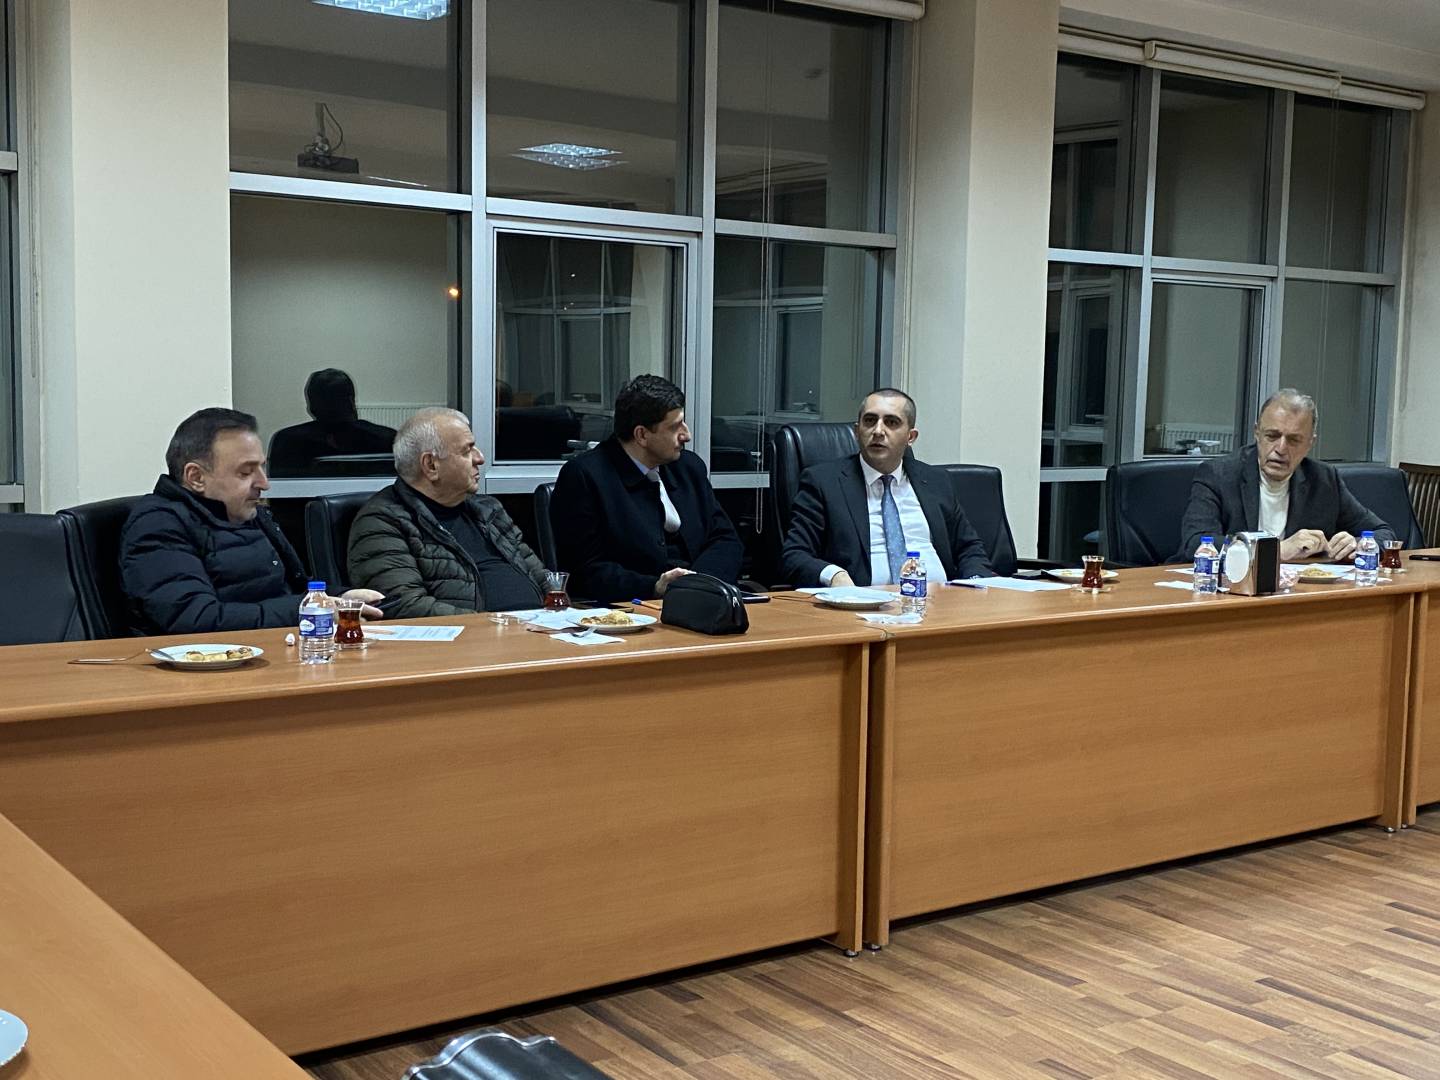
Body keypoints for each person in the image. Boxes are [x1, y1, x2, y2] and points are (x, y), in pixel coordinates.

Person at [120, 408, 382, 635]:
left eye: (262, 467)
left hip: (276, 649)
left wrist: (341, 598)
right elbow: (195, 619)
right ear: (196, 477)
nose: (264, 483)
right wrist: (307, 609)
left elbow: (292, 588)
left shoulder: (247, 512)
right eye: (246, 472)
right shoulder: (158, 524)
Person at [550, 374, 743, 603]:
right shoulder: (585, 476)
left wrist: (697, 584)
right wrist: (655, 587)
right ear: (641, 435)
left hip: (704, 600)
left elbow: (725, 539)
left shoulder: (688, 467)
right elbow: (585, 571)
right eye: (675, 427)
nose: (687, 435)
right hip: (631, 607)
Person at [347, 408, 550, 617]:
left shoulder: (488, 509)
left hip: (540, 627)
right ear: (431, 465)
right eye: (467, 451)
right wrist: (495, 625)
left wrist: (561, 612)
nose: (480, 458)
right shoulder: (382, 521)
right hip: (474, 634)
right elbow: (404, 605)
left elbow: (542, 577)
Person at [781, 389, 994, 587]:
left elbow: (969, 548)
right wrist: (834, 575)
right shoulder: (824, 482)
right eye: (870, 421)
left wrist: (974, 585)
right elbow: (795, 556)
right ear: (857, 431)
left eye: (891, 422)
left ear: (910, 437)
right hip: (863, 605)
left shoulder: (936, 481)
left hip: (941, 602)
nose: (878, 431)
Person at [1173, 389, 1396, 562]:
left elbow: (1384, 533)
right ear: (1257, 433)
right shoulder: (1218, 475)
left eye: (1293, 440)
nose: (1280, 448)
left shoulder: (1324, 480)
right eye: (1272, 436)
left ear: (1310, 443)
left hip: (1297, 593)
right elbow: (1196, 544)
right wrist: (1277, 550)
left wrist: (1358, 544)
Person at [267, 369, 396, 477]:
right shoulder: (388, 439)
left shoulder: (286, 441)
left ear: (311, 407)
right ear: (351, 403)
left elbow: (279, 494)